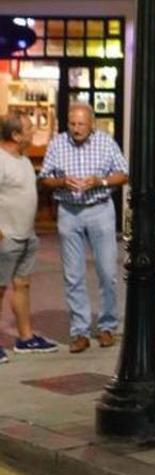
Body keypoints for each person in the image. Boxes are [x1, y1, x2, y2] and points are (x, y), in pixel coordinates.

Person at [37, 103, 128, 354]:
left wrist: (98, 181)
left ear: (92, 124)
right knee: (73, 275)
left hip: (100, 209)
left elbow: (123, 174)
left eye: (81, 124)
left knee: (107, 271)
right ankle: (80, 331)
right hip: (69, 211)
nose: (76, 129)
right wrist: (62, 181)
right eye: (72, 124)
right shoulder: (58, 143)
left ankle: (107, 326)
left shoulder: (106, 142)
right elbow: (44, 178)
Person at [0, 114, 59, 362]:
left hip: (26, 235)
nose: (33, 131)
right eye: (28, 128)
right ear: (15, 135)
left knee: (22, 285)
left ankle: (25, 338)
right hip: (7, 237)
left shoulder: (22, 159)